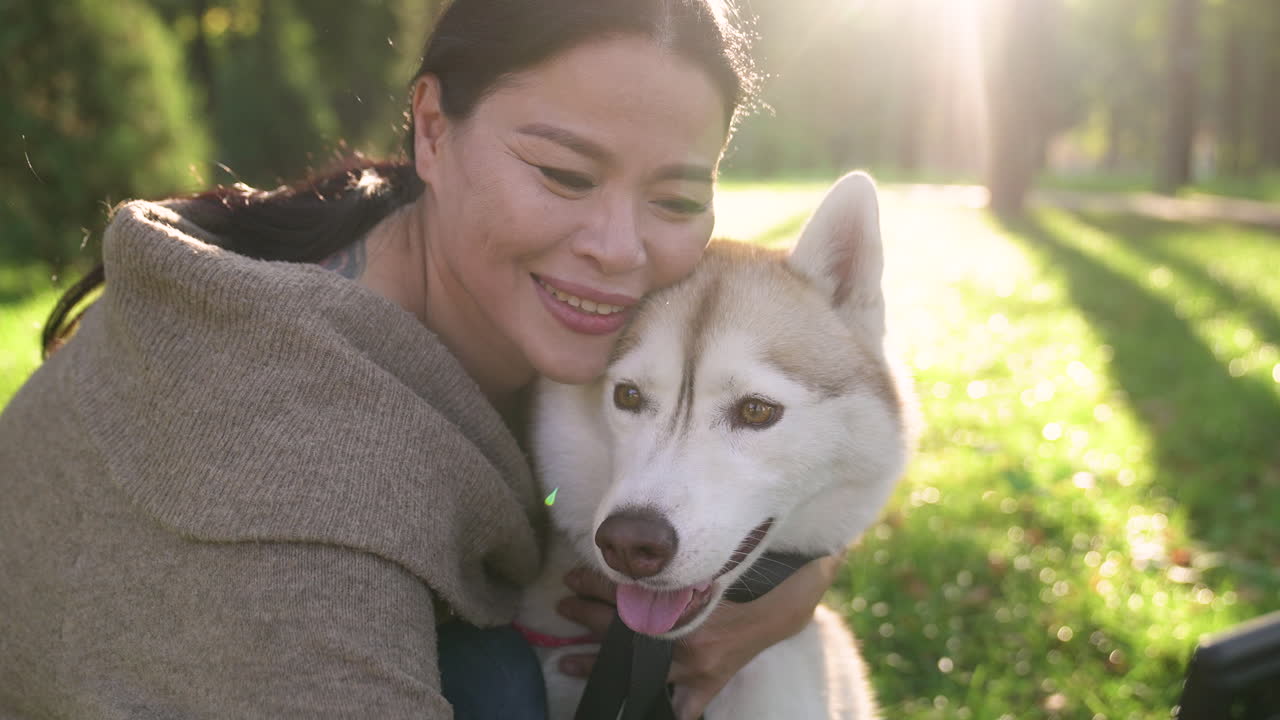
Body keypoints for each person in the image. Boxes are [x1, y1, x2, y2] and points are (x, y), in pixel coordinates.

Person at [0, 1, 846, 718]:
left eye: (676, 197)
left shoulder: (466, 280)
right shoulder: (299, 488)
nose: (620, 249)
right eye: (564, 174)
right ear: (434, 131)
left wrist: (786, 582)